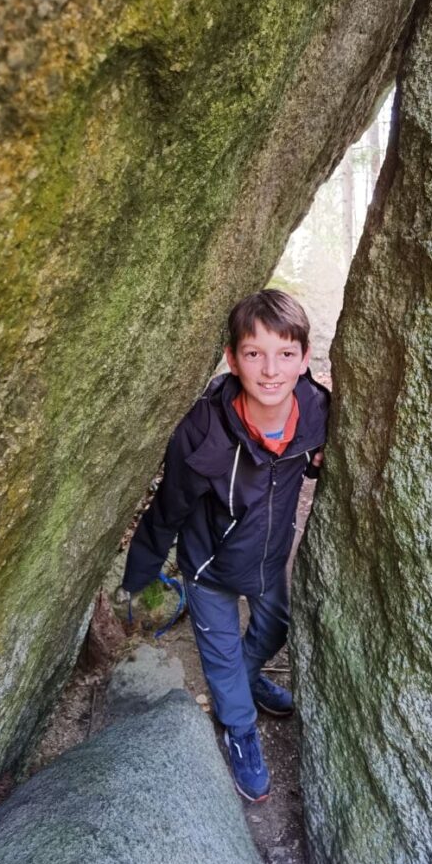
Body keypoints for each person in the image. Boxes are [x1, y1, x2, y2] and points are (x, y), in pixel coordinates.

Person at [121, 290, 329, 801]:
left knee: (276, 625)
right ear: (232, 358)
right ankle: (239, 728)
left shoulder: (317, 408)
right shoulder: (205, 430)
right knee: (219, 658)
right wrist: (142, 571)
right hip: (209, 566)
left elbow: (302, 455)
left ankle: (248, 673)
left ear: (305, 359)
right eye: (254, 353)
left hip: (268, 555)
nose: (270, 370)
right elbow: (168, 504)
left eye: (285, 354)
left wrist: (314, 459)